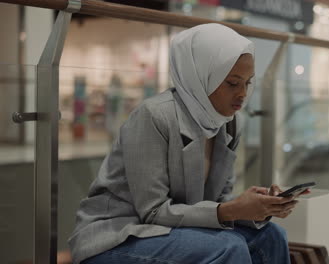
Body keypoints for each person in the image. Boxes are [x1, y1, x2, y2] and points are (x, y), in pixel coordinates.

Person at [69, 23, 308, 264]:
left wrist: (256, 206)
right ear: (201, 76)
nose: (243, 94)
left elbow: (218, 202)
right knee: (228, 247)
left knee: (272, 236)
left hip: (176, 231)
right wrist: (233, 209)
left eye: (247, 83)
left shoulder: (229, 123)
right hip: (119, 235)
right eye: (232, 83)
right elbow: (152, 212)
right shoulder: (154, 116)